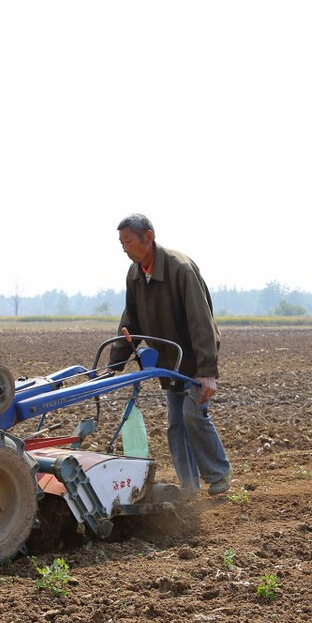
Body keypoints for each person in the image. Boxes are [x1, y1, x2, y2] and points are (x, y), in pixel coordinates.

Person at [108, 213, 231, 496]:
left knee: (193, 415)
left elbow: (201, 322)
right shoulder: (136, 273)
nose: (124, 248)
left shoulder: (180, 269)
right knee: (176, 423)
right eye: (121, 243)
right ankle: (189, 485)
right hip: (168, 361)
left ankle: (218, 474)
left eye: (128, 241)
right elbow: (131, 320)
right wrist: (114, 364)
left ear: (148, 237)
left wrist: (207, 372)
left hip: (193, 360)